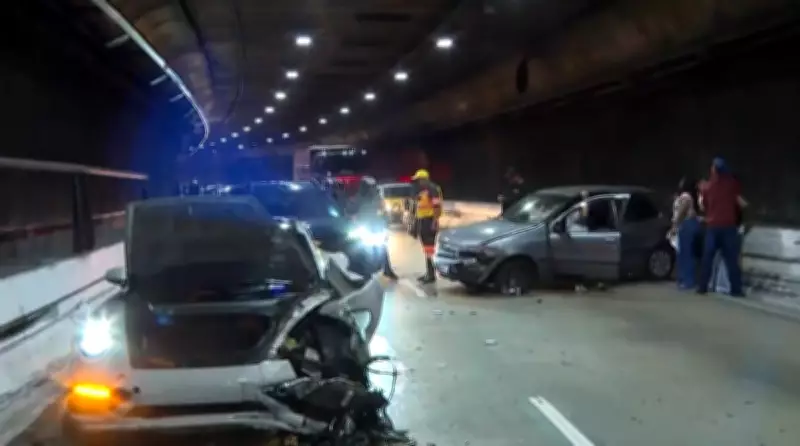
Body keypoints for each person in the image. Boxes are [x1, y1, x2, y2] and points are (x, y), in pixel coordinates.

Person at [697, 157, 747, 297]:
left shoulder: (707, 187)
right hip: (729, 226)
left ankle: (702, 287)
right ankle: (736, 289)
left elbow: (704, 205)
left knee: (707, 258)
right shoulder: (732, 184)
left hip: (713, 226)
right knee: (731, 260)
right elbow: (739, 200)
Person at [351, 176, 399, 280]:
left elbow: (385, 212)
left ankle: (387, 270)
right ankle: (366, 273)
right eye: (369, 187)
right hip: (365, 228)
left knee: (382, 249)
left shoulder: (378, 199)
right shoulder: (357, 199)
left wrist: (386, 224)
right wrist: (354, 222)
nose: (371, 189)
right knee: (364, 251)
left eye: (372, 187)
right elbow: (350, 212)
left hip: (377, 227)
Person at [410, 169, 443, 284]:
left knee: (429, 249)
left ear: (424, 179)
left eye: (419, 180)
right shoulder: (423, 191)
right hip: (423, 221)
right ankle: (429, 273)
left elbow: (437, 206)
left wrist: (435, 221)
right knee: (427, 249)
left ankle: (431, 275)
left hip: (429, 221)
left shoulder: (432, 189)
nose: (418, 182)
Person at [669, 176, 701, 290]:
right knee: (683, 253)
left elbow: (680, 213)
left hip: (686, 224)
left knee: (686, 253)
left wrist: (674, 226)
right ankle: (683, 278)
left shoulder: (686, 197)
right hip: (687, 224)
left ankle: (687, 280)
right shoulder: (686, 196)